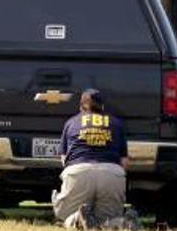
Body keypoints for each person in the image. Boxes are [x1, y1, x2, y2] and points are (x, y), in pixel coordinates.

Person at [53, 89, 137, 230]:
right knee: (107, 220)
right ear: (102, 106)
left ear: (81, 106)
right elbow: (124, 162)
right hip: (111, 173)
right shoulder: (117, 123)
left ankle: (77, 219)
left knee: (65, 216)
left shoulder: (71, 123)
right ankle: (123, 222)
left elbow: (64, 159)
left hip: (79, 171)